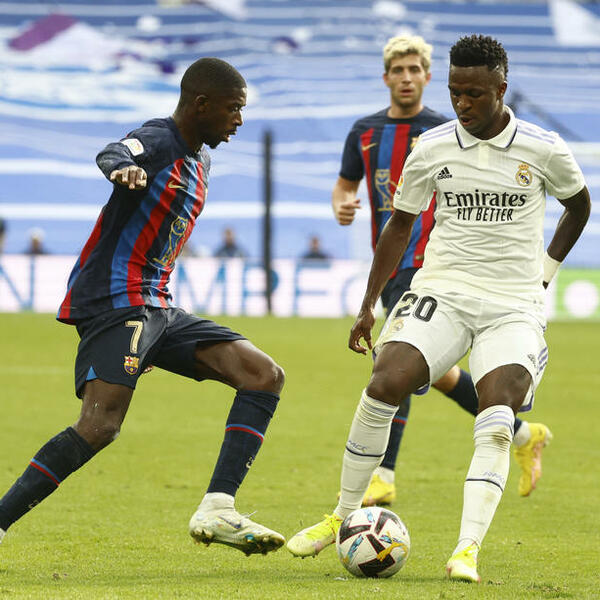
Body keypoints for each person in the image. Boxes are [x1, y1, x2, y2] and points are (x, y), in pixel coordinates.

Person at [287, 35, 590, 582]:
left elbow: (579, 206)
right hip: (443, 289)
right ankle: (341, 515)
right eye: (455, 92)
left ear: (501, 88)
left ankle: (466, 549)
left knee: (497, 416)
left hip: (512, 303)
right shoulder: (431, 147)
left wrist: (544, 274)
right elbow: (400, 223)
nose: (462, 104)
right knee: (385, 380)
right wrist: (367, 306)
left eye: (475, 93)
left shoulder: (543, 148)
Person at [0, 58, 286, 556]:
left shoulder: (201, 161)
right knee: (100, 426)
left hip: (156, 304)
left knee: (264, 375)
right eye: (233, 109)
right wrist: (122, 168)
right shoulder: (159, 140)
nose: (239, 120)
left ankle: (217, 508)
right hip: (116, 299)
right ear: (201, 104)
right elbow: (117, 150)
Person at [332, 34, 551, 506]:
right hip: (391, 261)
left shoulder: (449, 129)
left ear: (428, 77)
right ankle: (521, 433)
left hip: (435, 265)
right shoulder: (364, 132)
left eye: (415, 70)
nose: (406, 78)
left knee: (392, 366)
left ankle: (383, 473)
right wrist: (342, 203)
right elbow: (346, 184)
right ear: (386, 77)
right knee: (437, 373)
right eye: (398, 70)